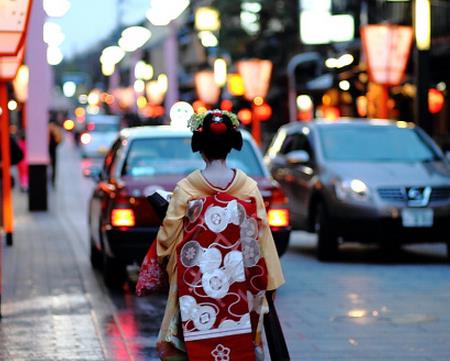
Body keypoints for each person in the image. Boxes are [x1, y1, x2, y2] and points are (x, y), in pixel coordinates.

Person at [155, 110, 285, 360]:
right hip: (241, 283)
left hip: (196, 285)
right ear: (231, 147)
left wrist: (163, 261)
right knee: (240, 345)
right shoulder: (248, 188)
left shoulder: (187, 188)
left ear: (199, 148)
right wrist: (271, 281)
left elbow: (168, 236)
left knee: (193, 347)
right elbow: (262, 236)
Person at [48, 116, 63, 187]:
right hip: (48, 150)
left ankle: (53, 180)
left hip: (52, 150)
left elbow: (59, 140)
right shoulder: (47, 130)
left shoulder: (55, 131)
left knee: (53, 166)